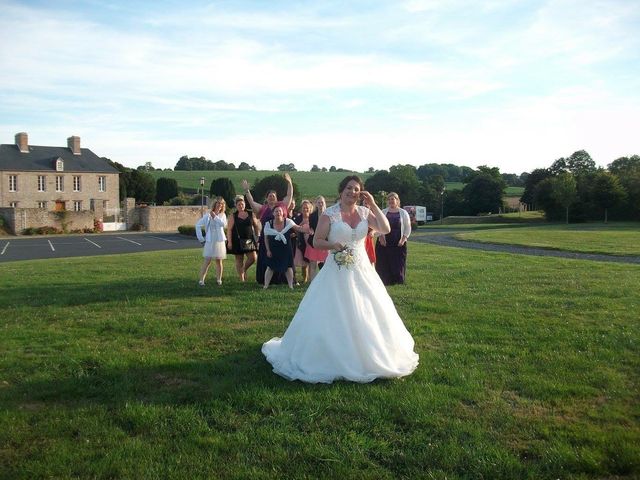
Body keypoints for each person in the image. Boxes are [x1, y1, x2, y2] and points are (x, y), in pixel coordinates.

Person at [262, 176, 419, 383]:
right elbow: (317, 241)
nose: (352, 192)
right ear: (341, 190)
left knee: (368, 310)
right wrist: (332, 246)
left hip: (362, 270)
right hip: (336, 270)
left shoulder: (364, 212)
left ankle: (369, 354)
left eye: (356, 189)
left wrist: (372, 203)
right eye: (348, 188)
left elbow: (385, 228)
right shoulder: (330, 214)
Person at [242, 174, 293, 285]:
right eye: (269, 196)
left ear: (277, 197)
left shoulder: (283, 206)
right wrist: (247, 190)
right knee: (268, 259)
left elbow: (289, 195)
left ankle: (283, 280)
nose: (271, 197)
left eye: (273, 196)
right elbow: (251, 202)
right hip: (267, 240)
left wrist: (289, 182)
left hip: (282, 238)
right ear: (266, 198)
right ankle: (266, 281)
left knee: (283, 259)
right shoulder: (262, 208)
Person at [263, 205, 309, 289]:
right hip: (273, 248)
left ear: (283, 213)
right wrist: (268, 250)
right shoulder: (268, 224)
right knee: (270, 267)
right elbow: (265, 238)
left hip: (286, 249)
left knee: (288, 267)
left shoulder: (288, 221)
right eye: (276, 211)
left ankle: (291, 286)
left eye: (280, 211)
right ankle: (265, 286)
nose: (278, 213)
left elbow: (298, 228)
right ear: (273, 213)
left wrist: (308, 230)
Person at [375, 192, 411, 285]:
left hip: (398, 241)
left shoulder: (403, 213)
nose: (391, 201)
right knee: (384, 261)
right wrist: (380, 237)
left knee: (398, 261)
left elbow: (407, 227)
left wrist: (404, 239)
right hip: (385, 241)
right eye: (389, 199)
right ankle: (384, 280)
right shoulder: (383, 212)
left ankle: (398, 280)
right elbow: (378, 225)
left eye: (393, 199)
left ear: (397, 201)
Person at [226, 195, 261, 282]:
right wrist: (229, 242)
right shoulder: (233, 216)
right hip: (237, 240)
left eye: (242, 204)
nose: (241, 206)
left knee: (253, 258)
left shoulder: (250, 214)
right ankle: (242, 279)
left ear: (245, 204)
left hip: (249, 239)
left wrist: (258, 237)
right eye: (239, 205)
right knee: (239, 259)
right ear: (236, 206)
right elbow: (229, 230)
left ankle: (243, 270)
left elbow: (256, 226)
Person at [195, 197, 228, 286]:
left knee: (219, 260)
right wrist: (201, 239)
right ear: (215, 204)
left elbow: (223, 224)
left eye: (221, 204)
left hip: (219, 240)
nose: (220, 205)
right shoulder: (208, 215)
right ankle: (201, 280)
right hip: (210, 240)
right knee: (207, 260)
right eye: (218, 203)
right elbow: (198, 225)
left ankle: (219, 280)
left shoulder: (223, 215)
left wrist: (215, 217)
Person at [304, 195, 329, 281]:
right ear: (316, 204)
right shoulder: (312, 216)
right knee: (313, 264)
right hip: (313, 242)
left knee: (326, 264)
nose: (321, 204)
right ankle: (312, 283)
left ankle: (325, 281)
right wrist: (311, 231)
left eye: (322, 202)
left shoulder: (329, 215)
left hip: (325, 243)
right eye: (319, 202)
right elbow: (311, 228)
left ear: (324, 203)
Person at [293, 199, 313, 284]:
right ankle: (300, 279)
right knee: (301, 261)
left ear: (310, 209)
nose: (305, 209)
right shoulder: (298, 218)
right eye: (304, 208)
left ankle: (309, 279)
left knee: (310, 262)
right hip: (301, 242)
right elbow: (294, 229)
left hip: (310, 242)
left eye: (307, 208)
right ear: (301, 209)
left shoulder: (313, 218)